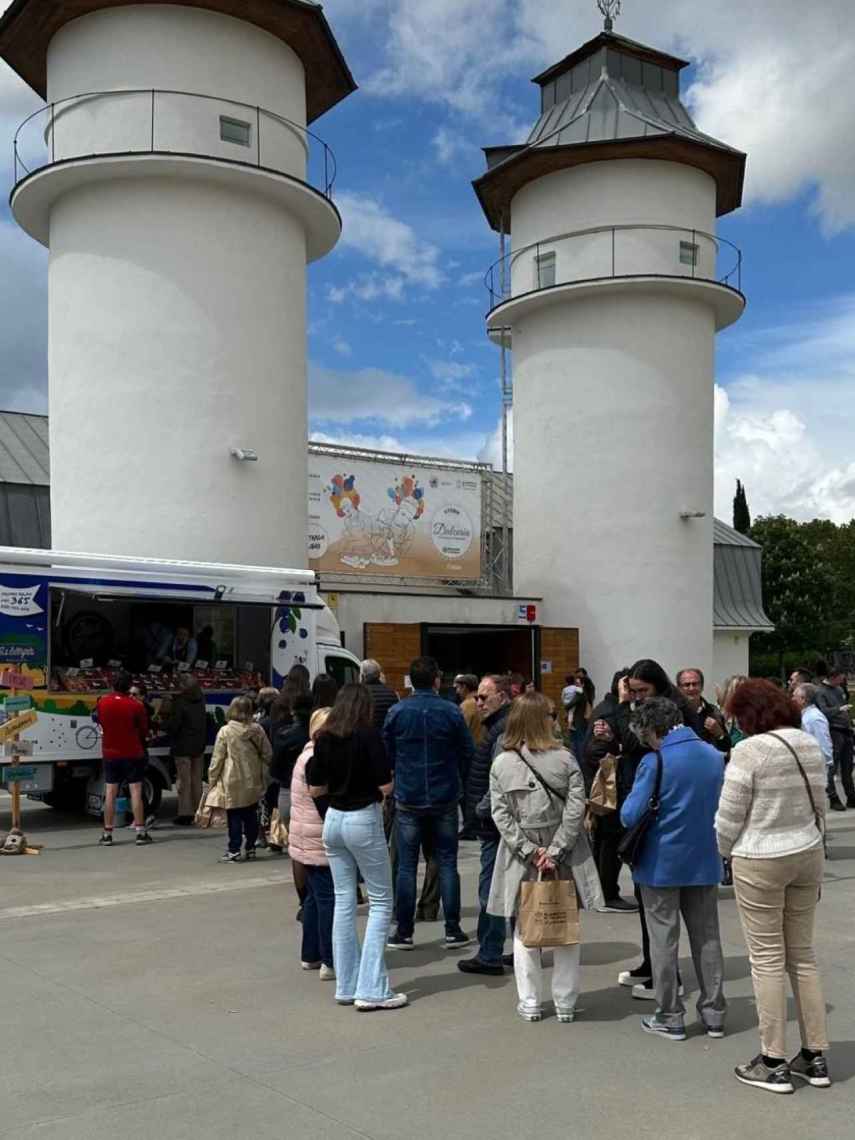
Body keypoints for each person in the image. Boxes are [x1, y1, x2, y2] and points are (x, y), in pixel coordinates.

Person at [716, 678, 831, 1094]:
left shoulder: (747, 751)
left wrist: (724, 850)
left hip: (760, 857)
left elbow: (729, 815)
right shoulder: (808, 745)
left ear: (747, 715)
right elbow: (820, 804)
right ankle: (815, 1056)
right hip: (806, 852)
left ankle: (773, 1061)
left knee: (766, 959)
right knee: (802, 957)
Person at [586, 659, 704, 994]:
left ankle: (667, 981)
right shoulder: (649, 709)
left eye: (641, 691)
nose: (635, 696)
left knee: (660, 906)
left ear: (657, 687)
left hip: (659, 811)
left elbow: (639, 743)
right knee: (650, 899)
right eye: (631, 690)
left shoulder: (669, 715)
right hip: (648, 804)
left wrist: (619, 731)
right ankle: (653, 964)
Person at [489, 692, 603, 1022]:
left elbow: (501, 814)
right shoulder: (566, 759)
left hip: (521, 852)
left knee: (526, 926)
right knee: (564, 922)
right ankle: (566, 1002)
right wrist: (555, 850)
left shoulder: (502, 763)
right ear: (544, 720)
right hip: (563, 850)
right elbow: (575, 808)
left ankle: (530, 1001)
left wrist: (529, 850)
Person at [621, 697, 727, 1042]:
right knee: (707, 937)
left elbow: (629, 814)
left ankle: (670, 1015)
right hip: (705, 859)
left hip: (660, 863)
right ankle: (714, 1013)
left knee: (664, 941)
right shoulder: (714, 756)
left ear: (654, 730)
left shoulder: (656, 761)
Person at [306, 683, 407, 1011]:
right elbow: (386, 784)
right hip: (363, 816)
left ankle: (347, 984)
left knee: (343, 901)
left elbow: (315, 787)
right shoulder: (368, 736)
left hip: (333, 820)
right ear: (364, 707)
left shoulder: (324, 737)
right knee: (380, 902)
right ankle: (372, 989)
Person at [384, 656, 473, 950]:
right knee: (447, 861)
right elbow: (466, 751)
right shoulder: (450, 711)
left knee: (407, 865)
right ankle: (453, 928)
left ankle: (405, 930)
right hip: (444, 794)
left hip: (409, 796)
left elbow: (387, 750)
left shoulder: (398, 711)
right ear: (435, 679)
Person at [458, 673, 514, 976]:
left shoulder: (502, 732)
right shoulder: (499, 727)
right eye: (477, 697)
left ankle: (490, 953)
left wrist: (481, 810)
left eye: (483, 696)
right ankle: (519, 949)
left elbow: (501, 780)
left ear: (502, 697)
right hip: (500, 822)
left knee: (492, 889)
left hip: (497, 824)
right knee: (511, 888)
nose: (477, 702)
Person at [290, 707, 335, 979]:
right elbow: (322, 803)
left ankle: (311, 954)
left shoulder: (305, 754)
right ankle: (330, 957)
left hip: (305, 837)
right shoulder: (315, 759)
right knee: (327, 898)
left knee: (314, 899)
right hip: (317, 837)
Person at [208, 695, 272, 863]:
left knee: (234, 816)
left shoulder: (225, 731)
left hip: (232, 779)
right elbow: (268, 754)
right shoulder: (257, 730)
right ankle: (250, 847)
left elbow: (217, 758)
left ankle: (234, 849)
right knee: (251, 814)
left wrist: (212, 779)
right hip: (253, 778)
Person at [97, 671, 152, 847]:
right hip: (132, 752)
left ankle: (107, 833)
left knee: (111, 793)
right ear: (129, 686)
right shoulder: (136, 706)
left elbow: (101, 723)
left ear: (113, 685)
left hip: (110, 752)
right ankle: (140, 831)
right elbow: (144, 731)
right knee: (136, 791)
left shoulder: (103, 702)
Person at [166, 672, 208, 825]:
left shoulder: (180, 702)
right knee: (197, 780)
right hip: (198, 745)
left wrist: (163, 727)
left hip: (183, 746)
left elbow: (175, 725)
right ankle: (199, 811)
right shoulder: (201, 700)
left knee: (184, 781)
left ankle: (185, 813)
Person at [813, 660, 853, 811]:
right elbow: (823, 711)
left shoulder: (838, 689)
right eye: (841, 678)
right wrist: (839, 709)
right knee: (832, 766)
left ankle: (851, 795)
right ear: (833, 677)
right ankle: (833, 797)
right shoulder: (820, 691)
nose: (843, 681)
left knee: (847, 766)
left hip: (845, 729)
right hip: (834, 730)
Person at [676, 668, 730, 754]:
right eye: (686, 685)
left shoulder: (714, 712)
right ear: (679, 688)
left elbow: (726, 747)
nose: (691, 688)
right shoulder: (673, 714)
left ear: (702, 687)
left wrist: (719, 734)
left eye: (695, 684)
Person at [792, 683, 833, 778]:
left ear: (803, 699)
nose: (792, 699)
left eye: (794, 696)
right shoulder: (806, 715)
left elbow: (824, 746)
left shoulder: (814, 718)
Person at [360, 659, 398, 731]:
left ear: (362, 676)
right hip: (385, 737)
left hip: (364, 738)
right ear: (378, 675)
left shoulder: (359, 694)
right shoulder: (391, 694)